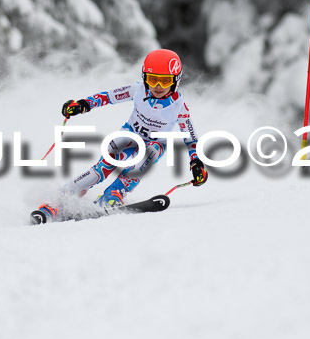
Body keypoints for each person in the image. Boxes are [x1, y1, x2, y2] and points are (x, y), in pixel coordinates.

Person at [41, 49, 207, 219]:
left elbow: (191, 139)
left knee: (143, 160)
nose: (158, 87)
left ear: (175, 81)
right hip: (130, 135)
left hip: (155, 143)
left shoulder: (179, 107)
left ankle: (113, 194)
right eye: (153, 80)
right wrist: (83, 105)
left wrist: (197, 163)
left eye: (165, 81)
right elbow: (108, 97)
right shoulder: (138, 90)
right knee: (102, 167)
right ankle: (63, 196)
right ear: (145, 78)